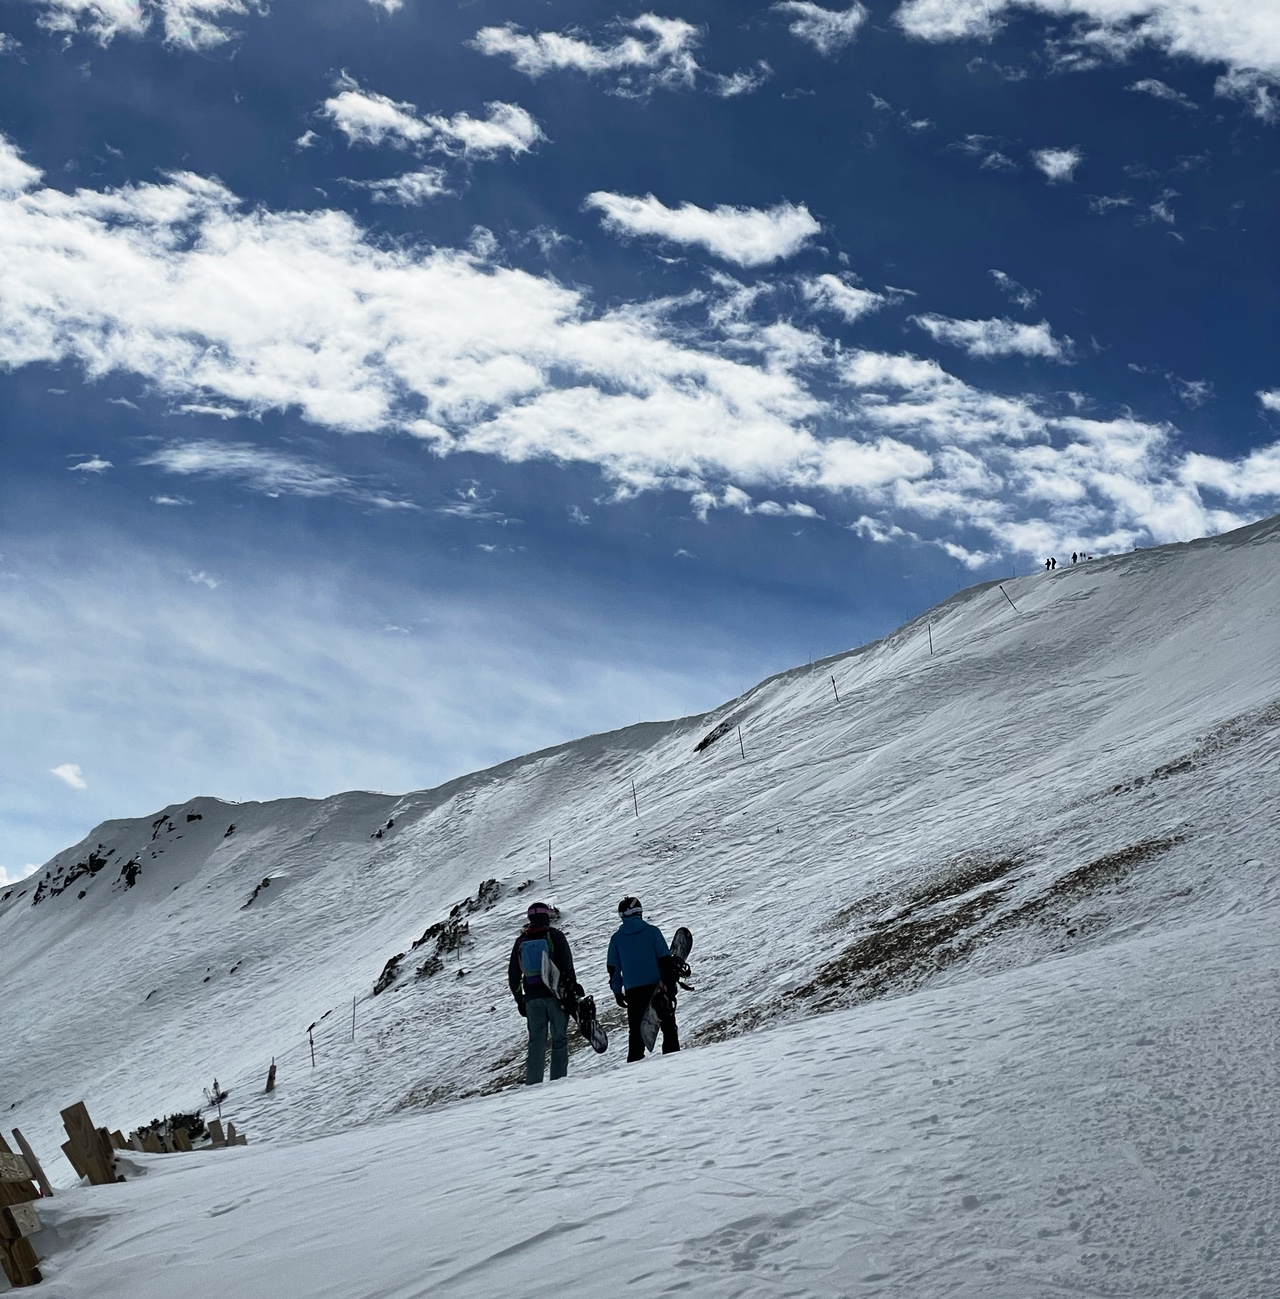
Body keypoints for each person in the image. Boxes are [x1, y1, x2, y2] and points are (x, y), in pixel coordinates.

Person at [508, 902, 576, 1084]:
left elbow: (513, 974)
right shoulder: (555, 936)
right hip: (555, 996)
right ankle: (558, 1080)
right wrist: (571, 993)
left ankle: (533, 1082)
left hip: (531, 998)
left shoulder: (521, 941)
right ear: (547, 917)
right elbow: (567, 967)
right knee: (559, 1038)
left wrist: (520, 1000)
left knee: (536, 1042)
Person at [607, 896, 679, 1062]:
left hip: (633, 991)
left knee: (636, 1029)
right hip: (657, 986)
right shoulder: (652, 932)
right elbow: (664, 959)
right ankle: (674, 1058)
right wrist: (670, 986)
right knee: (667, 1025)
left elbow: (613, 968)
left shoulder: (617, 939)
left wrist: (617, 992)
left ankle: (635, 1062)